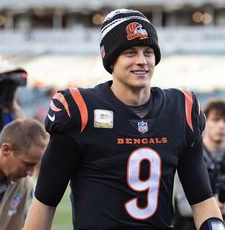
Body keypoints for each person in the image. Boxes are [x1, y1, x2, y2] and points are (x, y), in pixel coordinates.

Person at [24, 9, 224, 230]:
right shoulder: (81, 111)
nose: (142, 61)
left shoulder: (180, 110)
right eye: (130, 53)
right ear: (110, 60)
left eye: (148, 52)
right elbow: (45, 201)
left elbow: (202, 199)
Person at [174, 98, 225, 230]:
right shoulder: (189, 153)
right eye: (216, 119)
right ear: (205, 121)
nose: (221, 125)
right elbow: (183, 207)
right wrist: (212, 207)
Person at [0, 118, 48, 230]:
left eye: (35, 166)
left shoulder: (25, 186)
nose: (30, 173)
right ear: (6, 149)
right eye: (27, 164)